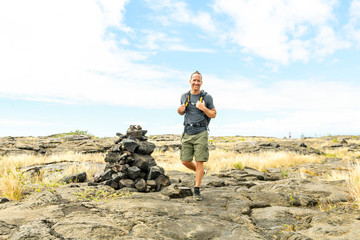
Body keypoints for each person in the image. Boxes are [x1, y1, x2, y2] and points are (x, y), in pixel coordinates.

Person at [177, 71, 217, 200]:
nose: (196, 82)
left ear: (201, 83)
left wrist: (204, 108)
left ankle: (197, 189)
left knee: (200, 161)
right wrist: (179, 110)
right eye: (194, 80)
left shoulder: (207, 97)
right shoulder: (184, 96)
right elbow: (181, 112)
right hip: (187, 131)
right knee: (185, 160)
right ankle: (201, 173)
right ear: (190, 81)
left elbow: (214, 114)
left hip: (201, 132)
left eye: (198, 80)